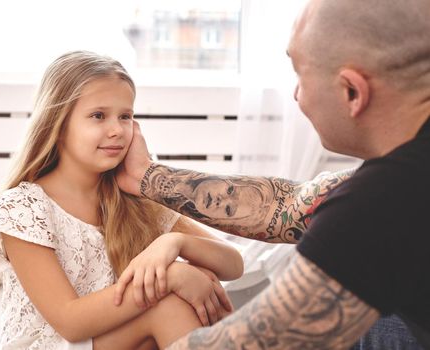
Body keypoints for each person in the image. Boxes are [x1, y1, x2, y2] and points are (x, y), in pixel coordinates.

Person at [114, 0, 430, 348]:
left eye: (300, 74)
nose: (296, 94)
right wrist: (147, 177)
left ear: (352, 91)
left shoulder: (389, 197)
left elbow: (252, 342)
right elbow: (289, 204)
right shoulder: (407, 168)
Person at [0, 51, 244, 350]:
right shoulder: (24, 208)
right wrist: (171, 277)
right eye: (98, 116)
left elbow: (233, 264)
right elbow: (70, 322)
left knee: (197, 287)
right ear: (58, 125)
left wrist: (175, 245)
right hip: (52, 344)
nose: (117, 130)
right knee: (168, 305)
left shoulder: (135, 200)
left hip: (110, 338)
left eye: (125, 116)